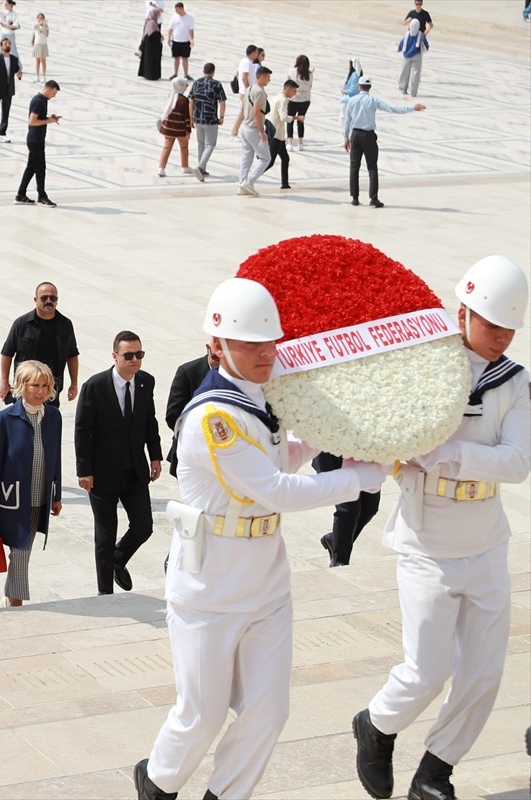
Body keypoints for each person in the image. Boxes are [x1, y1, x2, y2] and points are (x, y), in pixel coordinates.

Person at [135, 278, 386, 800]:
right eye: (250, 343)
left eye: (270, 341)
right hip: (210, 586)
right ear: (217, 346)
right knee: (201, 716)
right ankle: (157, 783)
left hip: (266, 578)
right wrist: (355, 478)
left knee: (269, 711)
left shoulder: (260, 400)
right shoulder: (212, 417)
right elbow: (273, 489)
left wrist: (321, 435)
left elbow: (277, 458)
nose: (265, 353)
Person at [353, 256, 528, 800]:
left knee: (483, 674)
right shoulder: (421, 368)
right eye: (491, 324)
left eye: (510, 328)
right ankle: (376, 725)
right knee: (426, 672)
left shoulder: (515, 382)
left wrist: (449, 454)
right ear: (462, 314)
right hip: (428, 541)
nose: (501, 337)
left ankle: (435, 771)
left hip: (485, 541)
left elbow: (518, 461)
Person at [76, 331, 163, 595]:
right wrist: (84, 470)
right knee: (105, 536)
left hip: (135, 470)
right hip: (102, 474)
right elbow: (82, 430)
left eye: (139, 354)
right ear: (114, 356)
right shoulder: (95, 386)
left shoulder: (146, 382)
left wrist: (155, 456)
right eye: (129, 355)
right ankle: (105, 594)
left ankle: (117, 558)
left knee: (143, 526)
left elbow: (149, 421)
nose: (135, 360)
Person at [0, 361, 62, 607]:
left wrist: (56, 495)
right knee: (20, 552)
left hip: (40, 497)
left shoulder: (54, 417)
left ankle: (9, 599)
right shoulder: (5, 419)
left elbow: (56, 457)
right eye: (34, 385)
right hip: (13, 499)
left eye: (45, 386)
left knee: (23, 551)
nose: (40, 391)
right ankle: (15, 604)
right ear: (21, 385)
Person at [342, 75, 426, 208]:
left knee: (354, 167)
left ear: (359, 86)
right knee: (372, 167)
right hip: (368, 136)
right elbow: (393, 109)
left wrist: (346, 138)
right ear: (370, 87)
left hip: (356, 135)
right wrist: (412, 108)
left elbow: (347, 121)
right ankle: (373, 198)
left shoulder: (352, 101)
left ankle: (355, 198)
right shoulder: (373, 100)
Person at [0, 282, 79, 407]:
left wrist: (74, 384)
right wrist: (4, 382)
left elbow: (72, 355)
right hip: (25, 388)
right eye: (44, 298)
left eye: (53, 298)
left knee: (50, 418)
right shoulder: (22, 323)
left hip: (51, 389)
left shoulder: (65, 325)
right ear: (35, 300)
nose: (48, 301)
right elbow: (7, 353)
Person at [311, 452, 380, 567]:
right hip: (333, 457)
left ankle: (334, 540)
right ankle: (339, 561)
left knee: (370, 507)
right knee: (349, 509)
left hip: (364, 456)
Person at [164, 345, 218, 478]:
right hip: (191, 453)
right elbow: (173, 416)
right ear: (208, 348)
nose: (220, 364)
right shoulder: (187, 371)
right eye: (215, 358)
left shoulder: (235, 372)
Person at [14, 80, 61, 207]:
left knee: (31, 168)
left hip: (37, 139)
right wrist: (48, 121)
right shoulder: (38, 101)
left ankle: (20, 195)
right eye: (54, 93)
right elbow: (32, 121)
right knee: (40, 168)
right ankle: (42, 197)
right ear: (49, 89)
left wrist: (50, 118)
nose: (54, 96)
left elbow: (39, 118)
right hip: (35, 141)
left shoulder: (42, 100)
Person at [238, 66, 272, 197]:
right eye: (268, 77)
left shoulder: (250, 88)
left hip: (245, 127)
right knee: (265, 158)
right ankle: (249, 182)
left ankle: (242, 184)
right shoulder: (259, 92)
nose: (269, 80)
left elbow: (244, 109)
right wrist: (261, 132)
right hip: (253, 128)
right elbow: (257, 112)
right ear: (261, 77)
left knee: (246, 158)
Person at [188, 62, 225, 181]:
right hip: (210, 119)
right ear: (213, 72)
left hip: (198, 118)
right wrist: (221, 117)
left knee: (201, 143)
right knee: (210, 144)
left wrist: (191, 117)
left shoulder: (196, 83)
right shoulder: (216, 84)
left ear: (203, 71)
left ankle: (202, 168)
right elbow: (222, 101)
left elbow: (191, 101)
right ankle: (200, 166)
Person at [265, 79, 298, 190]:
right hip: (276, 135)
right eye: (294, 91)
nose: (294, 94)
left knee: (285, 158)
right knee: (270, 162)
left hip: (276, 134)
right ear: (287, 89)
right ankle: (250, 179)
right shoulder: (283, 100)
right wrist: (296, 118)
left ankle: (285, 183)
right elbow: (283, 117)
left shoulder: (275, 98)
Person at [158, 76, 193, 178]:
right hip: (180, 129)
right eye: (185, 85)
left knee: (167, 147)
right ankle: (185, 167)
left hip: (168, 128)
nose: (186, 86)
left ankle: (161, 168)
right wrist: (188, 129)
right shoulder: (184, 100)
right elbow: (187, 117)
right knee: (184, 147)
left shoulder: (171, 96)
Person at [230, 45, 261, 137]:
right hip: (245, 92)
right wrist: (249, 90)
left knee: (247, 113)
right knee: (242, 113)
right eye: (256, 52)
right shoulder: (247, 62)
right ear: (252, 53)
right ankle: (234, 133)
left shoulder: (245, 61)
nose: (257, 54)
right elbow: (244, 78)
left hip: (244, 91)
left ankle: (245, 131)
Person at [397, 18, 430, 97]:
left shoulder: (407, 34)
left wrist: (399, 49)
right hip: (417, 56)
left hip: (406, 56)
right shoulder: (421, 35)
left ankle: (403, 89)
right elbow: (426, 45)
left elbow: (402, 43)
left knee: (404, 73)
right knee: (415, 74)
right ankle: (413, 92)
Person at [286, 55, 313, 150]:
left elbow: (288, 82)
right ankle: (300, 143)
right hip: (305, 99)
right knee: (301, 120)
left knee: (290, 120)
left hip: (294, 98)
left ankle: (290, 143)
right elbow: (310, 85)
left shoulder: (292, 71)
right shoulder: (310, 74)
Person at [165, 2, 194, 80]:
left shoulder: (189, 17)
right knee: (176, 58)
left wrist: (191, 40)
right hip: (176, 41)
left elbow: (191, 29)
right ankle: (175, 73)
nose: (176, 11)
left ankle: (186, 74)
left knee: (185, 58)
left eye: (177, 10)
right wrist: (169, 38)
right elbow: (170, 28)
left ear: (181, 8)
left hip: (185, 41)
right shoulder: (174, 17)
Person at [137, 2, 164, 81]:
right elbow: (154, 34)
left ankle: (147, 74)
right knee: (152, 62)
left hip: (149, 47)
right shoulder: (152, 23)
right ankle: (152, 75)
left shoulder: (148, 21)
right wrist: (160, 36)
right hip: (152, 48)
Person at [30, 14, 49, 83]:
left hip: (43, 44)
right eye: (39, 18)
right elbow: (35, 27)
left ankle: (44, 76)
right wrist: (39, 23)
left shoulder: (46, 26)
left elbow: (46, 35)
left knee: (43, 61)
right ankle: (37, 76)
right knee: (37, 61)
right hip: (37, 44)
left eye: (41, 18)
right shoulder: (36, 25)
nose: (40, 19)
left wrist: (44, 26)